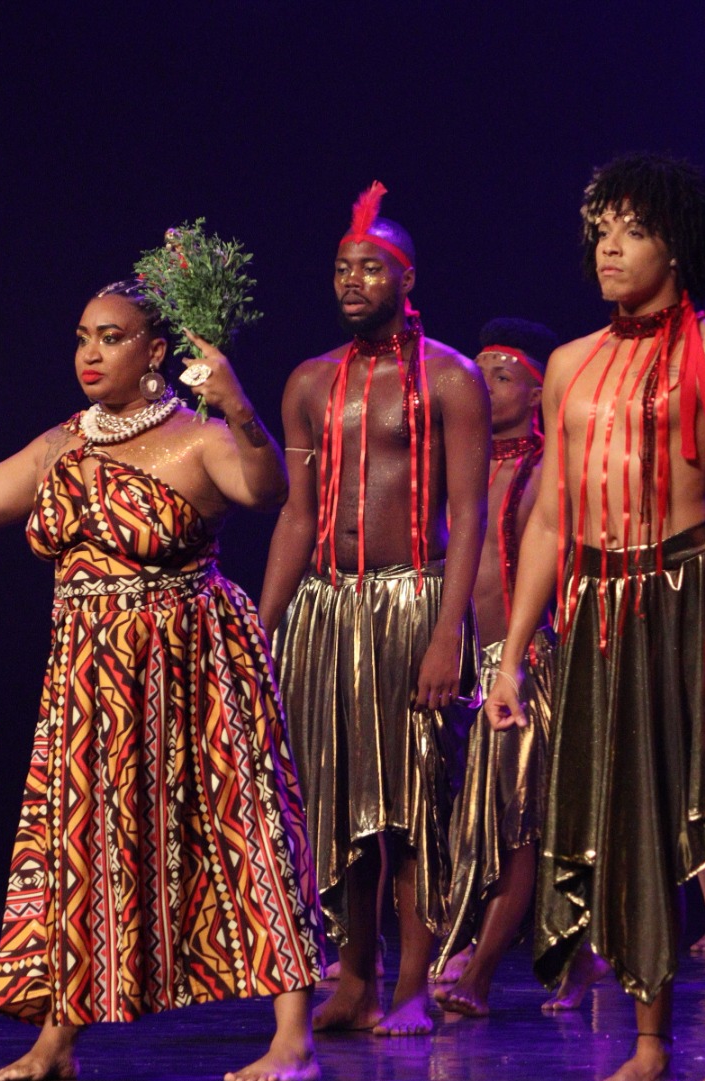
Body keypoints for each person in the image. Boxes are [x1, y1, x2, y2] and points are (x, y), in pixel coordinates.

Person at [0, 280, 323, 1081]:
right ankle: (57, 1037)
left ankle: (292, 1037)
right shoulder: (60, 444)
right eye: (81, 337)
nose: (90, 354)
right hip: (89, 674)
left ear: (155, 353)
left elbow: (268, 489)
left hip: (194, 661)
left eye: (111, 337)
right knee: (79, 841)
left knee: (242, 829)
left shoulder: (200, 438)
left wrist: (240, 404)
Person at [485, 153, 705, 1081]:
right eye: (602, 230)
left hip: (693, 597)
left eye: (632, 229)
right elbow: (548, 519)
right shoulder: (571, 364)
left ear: (677, 245)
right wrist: (512, 652)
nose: (610, 247)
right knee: (621, 824)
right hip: (599, 610)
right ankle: (651, 1043)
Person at [259, 183, 490, 1037]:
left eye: (369, 267)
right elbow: (295, 513)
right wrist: (266, 616)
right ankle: (353, 976)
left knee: (413, 802)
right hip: (328, 607)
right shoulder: (311, 381)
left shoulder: (452, 378)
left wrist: (445, 634)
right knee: (341, 801)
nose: (351, 281)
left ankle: (414, 984)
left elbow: (467, 517)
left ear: (407, 276)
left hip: (411, 598)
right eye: (340, 268)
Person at [431, 317, 608, 1017]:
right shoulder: (462, 468)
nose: (483, 384)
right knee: (468, 823)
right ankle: (580, 954)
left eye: (500, 375)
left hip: (530, 660)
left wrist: (520, 660)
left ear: (537, 394)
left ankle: (477, 973)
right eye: (478, 373)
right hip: (470, 667)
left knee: (519, 822)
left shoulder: (547, 468)